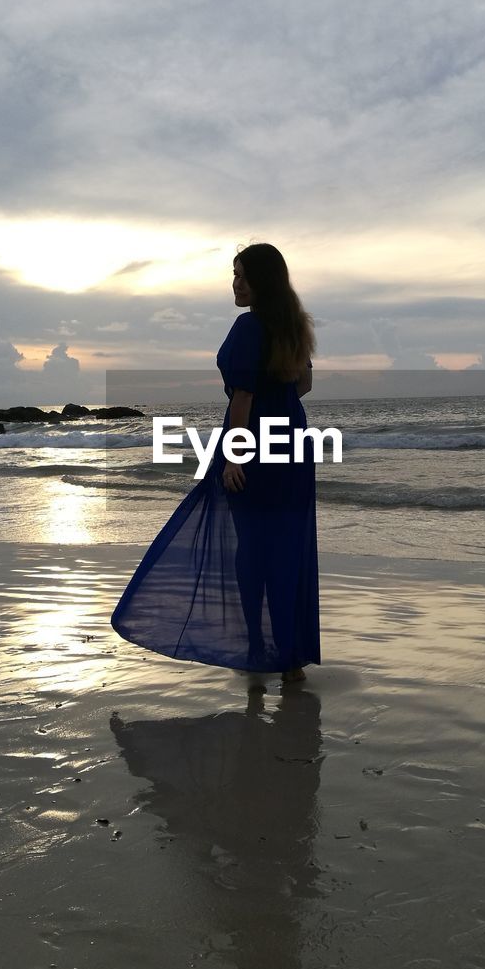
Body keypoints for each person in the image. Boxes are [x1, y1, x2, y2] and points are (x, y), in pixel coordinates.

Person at [111, 243, 320, 682]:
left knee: (251, 550)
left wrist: (233, 457)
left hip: (252, 447)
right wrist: (277, 406)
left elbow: (243, 395)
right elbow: (304, 384)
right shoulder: (295, 327)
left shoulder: (249, 327)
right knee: (285, 550)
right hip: (292, 447)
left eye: (242, 275)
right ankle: (291, 655)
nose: (235, 283)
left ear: (262, 280)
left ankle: (256, 645)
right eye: (234, 274)